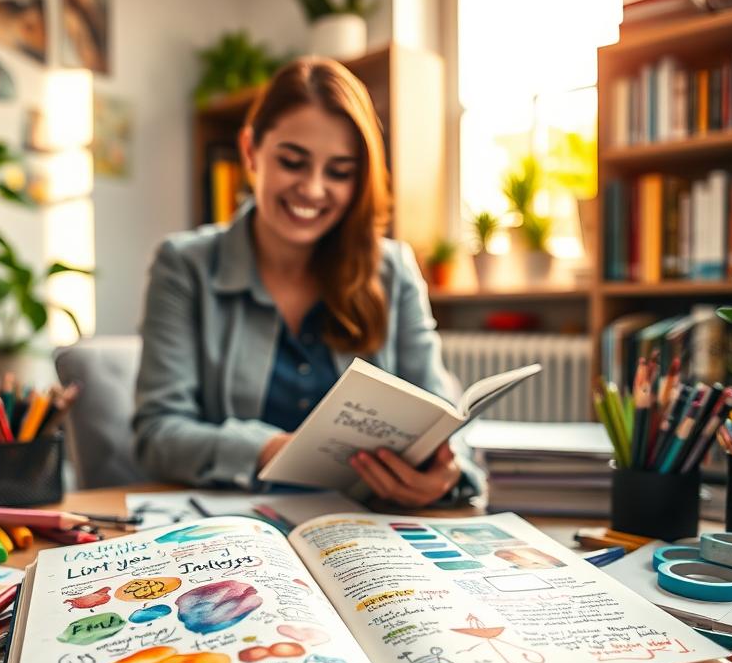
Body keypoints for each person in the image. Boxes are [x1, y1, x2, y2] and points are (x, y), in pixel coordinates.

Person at [133, 56, 476, 508]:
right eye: (293, 162)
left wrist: (448, 474)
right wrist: (271, 451)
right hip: (235, 528)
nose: (313, 190)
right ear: (251, 151)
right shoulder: (184, 265)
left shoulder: (392, 271)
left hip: (370, 532)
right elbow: (159, 434)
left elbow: (442, 420)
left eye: (339, 172)